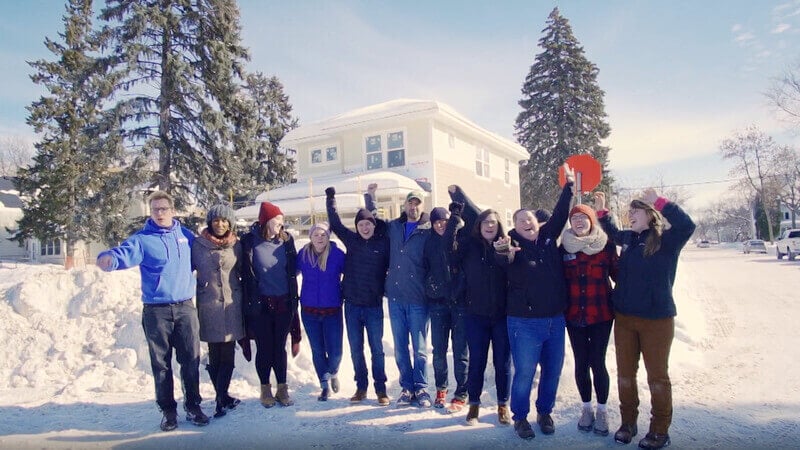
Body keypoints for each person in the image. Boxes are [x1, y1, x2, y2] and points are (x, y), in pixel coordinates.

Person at [96, 191, 209, 431]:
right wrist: (109, 259)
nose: (159, 213)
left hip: (185, 308)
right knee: (161, 364)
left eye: (163, 209)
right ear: (151, 212)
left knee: (191, 360)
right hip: (156, 311)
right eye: (155, 209)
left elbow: (208, 254)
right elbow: (123, 253)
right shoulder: (142, 239)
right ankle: (168, 411)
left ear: (172, 210)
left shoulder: (186, 237)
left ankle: (193, 406)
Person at [595, 189, 696, 450]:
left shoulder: (667, 240)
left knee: (657, 378)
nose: (630, 215)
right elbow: (613, 231)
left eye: (635, 211)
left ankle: (659, 430)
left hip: (656, 320)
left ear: (651, 215)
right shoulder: (628, 239)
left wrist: (660, 201)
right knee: (626, 375)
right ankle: (628, 423)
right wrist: (602, 210)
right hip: (625, 319)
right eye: (629, 212)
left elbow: (688, 224)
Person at [494, 163, 575, 440]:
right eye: (520, 221)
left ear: (536, 221)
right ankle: (520, 417)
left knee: (552, 370)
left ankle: (544, 411)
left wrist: (569, 188)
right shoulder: (511, 245)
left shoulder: (549, 237)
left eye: (529, 219)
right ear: (514, 227)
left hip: (555, 319)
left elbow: (561, 213)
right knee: (525, 372)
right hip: (524, 322)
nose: (527, 223)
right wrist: (505, 253)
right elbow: (503, 259)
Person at [445, 185, 511, 427]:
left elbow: (511, 268)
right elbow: (447, 249)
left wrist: (504, 253)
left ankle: (503, 405)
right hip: (476, 315)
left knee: (503, 362)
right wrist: (455, 214)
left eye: (493, 222)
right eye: (486, 222)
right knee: (477, 361)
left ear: (498, 225)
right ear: (479, 225)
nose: (490, 225)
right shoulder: (468, 246)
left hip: (502, 316)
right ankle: (474, 404)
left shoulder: (505, 244)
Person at [326, 184, 391, 406]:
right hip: (352, 306)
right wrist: (331, 198)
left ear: (373, 226)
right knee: (356, 349)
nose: (365, 227)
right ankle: (361, 388)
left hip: (373, 306)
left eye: (368, 224)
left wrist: (371, 198)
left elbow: (383, 223)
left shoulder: (383, 243)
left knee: (377, 350)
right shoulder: (351, 240)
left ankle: (381, 389)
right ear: (357, 227)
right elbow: (334, 223)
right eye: (361, 224)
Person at [559, 203, 618, 436]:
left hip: (601, 313)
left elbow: (621, 275)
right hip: (574, 315)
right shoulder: (563, 248)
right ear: (570, 223)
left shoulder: (606, 245)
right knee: (581, 363)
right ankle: (586, 408)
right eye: (575, 219)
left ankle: (602, 410)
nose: (579, 222)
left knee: (597, 361)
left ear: (592, 221)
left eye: (584, 218)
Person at [240, 201, 302, 409]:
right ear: (266, 222)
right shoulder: (249, 241)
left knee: (279, 348)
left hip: (284, 303)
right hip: (260, 305)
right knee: (265, 348)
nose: (280, 226)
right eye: (277, 222)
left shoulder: (287, 241)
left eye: (282, 222)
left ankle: (282, 388)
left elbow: (293, 270)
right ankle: (265, 388)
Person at [191, 204, 246, 418]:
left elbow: (243, 271)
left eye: (224, 220)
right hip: (209, 306)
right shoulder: (197, 245)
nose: (220, 224)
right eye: (216, 220)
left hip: (232, 305)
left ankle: (221, 397)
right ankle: (221, 398)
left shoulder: (236, 245)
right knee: (215, 355)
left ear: (230, 223)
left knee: (229, 356)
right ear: (210, 223)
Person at [385, 190, 432, 407]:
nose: (413, 207)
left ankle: (421, 388)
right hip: (395, 297)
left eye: (417, 204)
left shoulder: (429, 230)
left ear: (422, 206)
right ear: (404, 206)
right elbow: (372, 223)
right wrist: (369, 197)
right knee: (401, 346)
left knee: (420, 348)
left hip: (418, 298)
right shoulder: (394, 227)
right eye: (409, 203)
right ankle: (406, 387)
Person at [423, 205, 468, 411]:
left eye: (444, 221)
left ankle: (461, 392)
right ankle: (441, 388)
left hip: (459, 304)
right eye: (436, 221)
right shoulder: (428, 242)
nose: (440, 224)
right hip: (438, 304)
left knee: (460, 351)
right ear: (432, 224)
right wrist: (430, 284)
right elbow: (423, 268)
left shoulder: (460, 239)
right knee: (439, 350)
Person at [296, 221, 346, 401]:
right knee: (318, 350)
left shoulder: (337, 255)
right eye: (316, 234)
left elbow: (351, 274)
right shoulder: (303, 254)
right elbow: (290, 273)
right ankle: (324, 384)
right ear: (310, 237)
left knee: (336, 352)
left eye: (323, 234)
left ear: (328, 237)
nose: (319, 238)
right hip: (309, 312)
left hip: (332, 311)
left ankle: (333, 372)